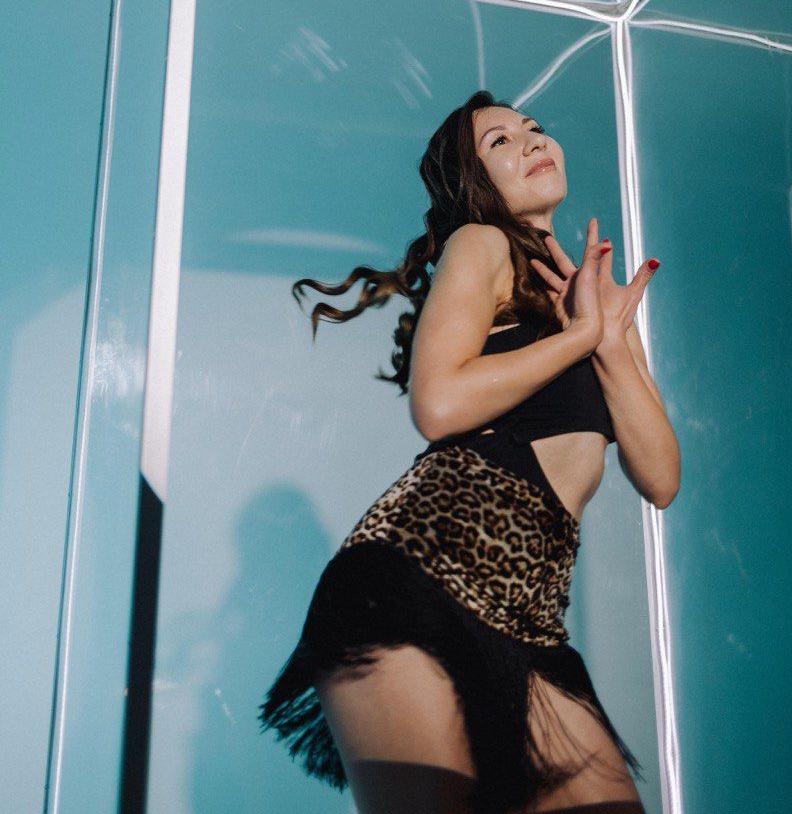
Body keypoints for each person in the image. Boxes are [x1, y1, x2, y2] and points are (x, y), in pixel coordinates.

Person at [259, 89, 680, 814]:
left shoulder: (595, 302)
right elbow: (439, 404)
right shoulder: (481, 244)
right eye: (500, 141)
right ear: (472, 182)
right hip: (416, 580)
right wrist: (576, 339)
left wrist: (607, 341)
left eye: (534, 129)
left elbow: (661, 478)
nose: (531, 140)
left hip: (531, 611)